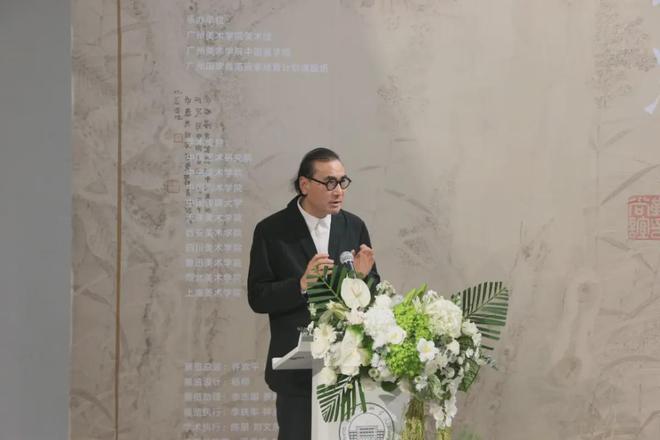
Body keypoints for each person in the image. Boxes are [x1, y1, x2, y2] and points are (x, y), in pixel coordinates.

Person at [247, 147, 380, 439]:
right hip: (297, 372)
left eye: (343, 182)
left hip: (347, 367)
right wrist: (301, 284)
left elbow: (374, 292)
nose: (338, 191)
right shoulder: (272, 230)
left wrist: (360, 279)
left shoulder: (354, 226)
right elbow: (258, 296)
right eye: (329, 182)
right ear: (305, 184)